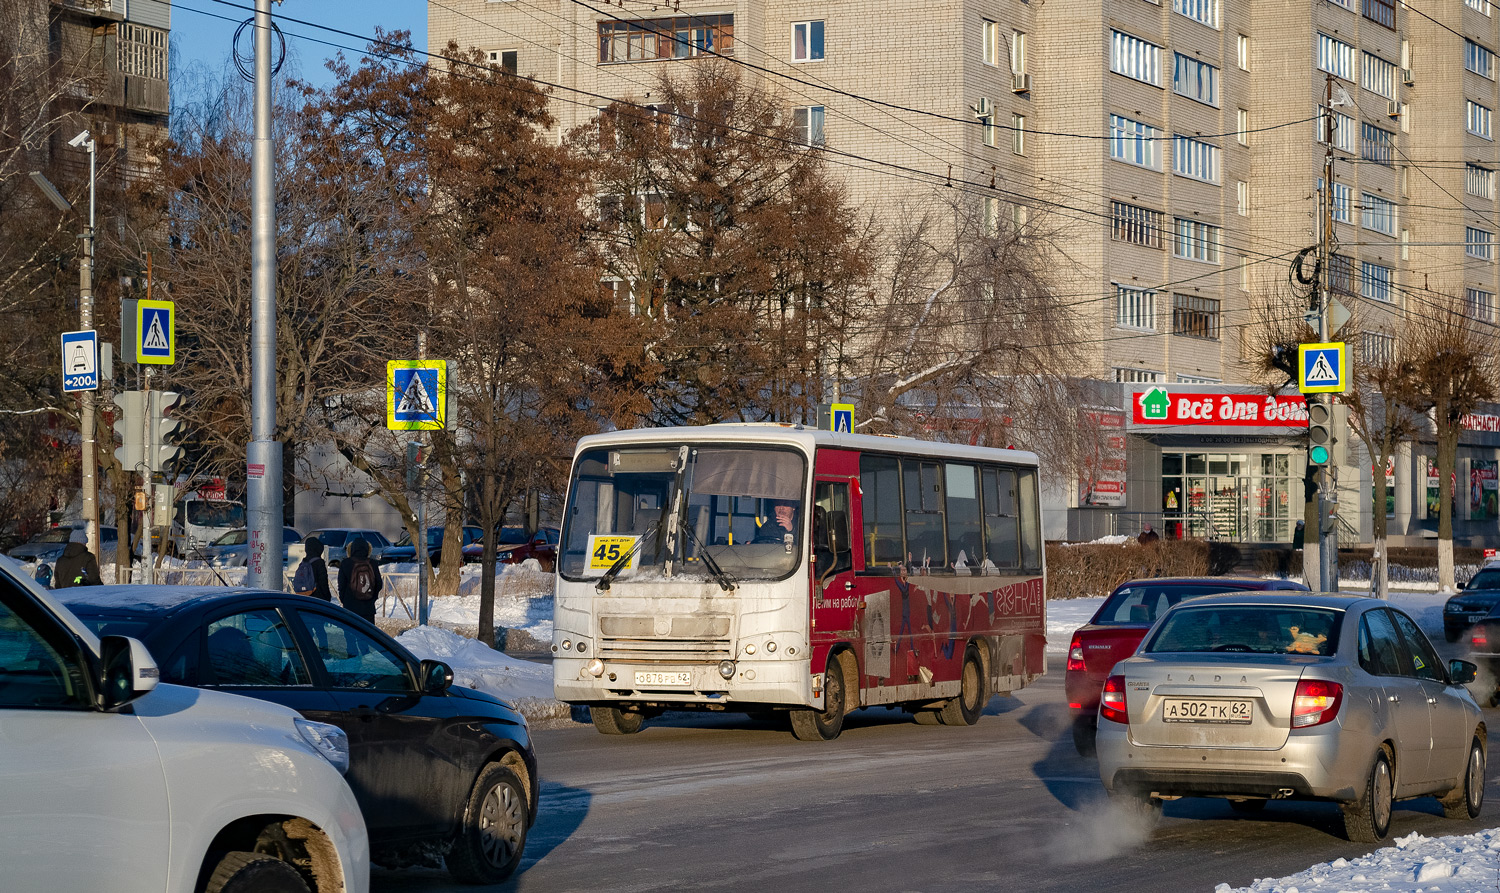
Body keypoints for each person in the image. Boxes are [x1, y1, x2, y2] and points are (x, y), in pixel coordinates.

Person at [337, 537, 383, 622]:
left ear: (352, 549)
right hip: (368, 609)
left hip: (350, 607)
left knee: (350, 632)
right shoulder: (372, 563)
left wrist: (344, 600)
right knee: (367, 633)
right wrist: (372, 598)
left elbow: (341, 585)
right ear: (367, 549)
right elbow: (379, 583)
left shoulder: (346, 563)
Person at [296, 535, 333, 601]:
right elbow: (323, 581)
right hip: (318, 598)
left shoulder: (304, 562)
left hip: (304, 597)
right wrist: (327, 597)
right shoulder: (319, 562)